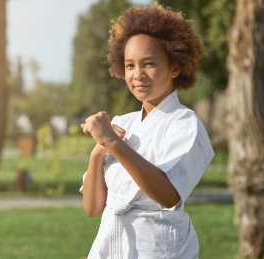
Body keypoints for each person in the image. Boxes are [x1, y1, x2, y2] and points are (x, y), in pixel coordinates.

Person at [79, 2, 214, 259]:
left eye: (149, 63)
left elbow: (169, 196)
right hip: (111, 248)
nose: (138, 74)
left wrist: (113, 143)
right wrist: (98, 152)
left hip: (159, 248)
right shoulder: (123, 122)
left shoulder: (184, 123)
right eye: (130, 65)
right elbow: (93, 207)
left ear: (175, 67)